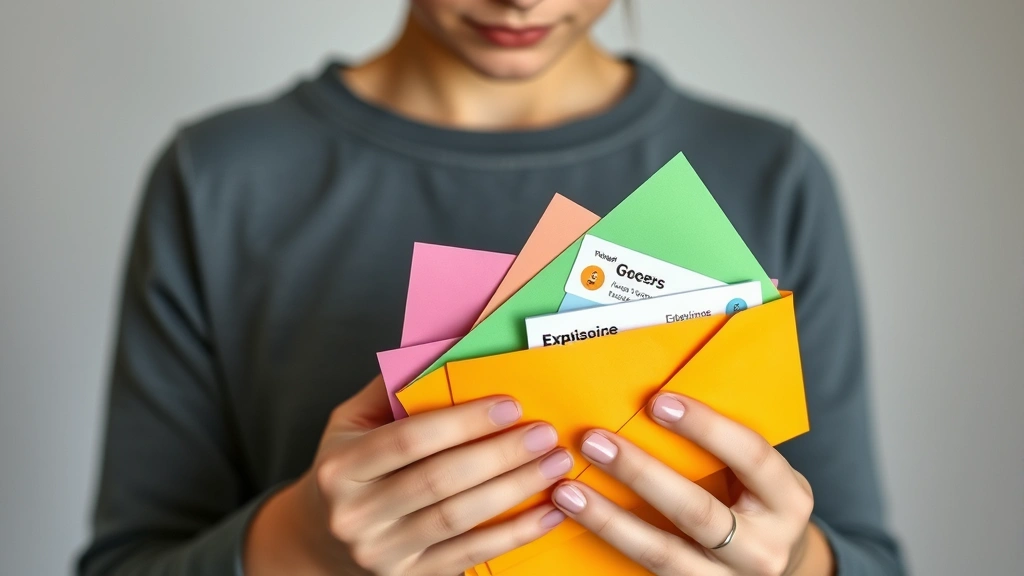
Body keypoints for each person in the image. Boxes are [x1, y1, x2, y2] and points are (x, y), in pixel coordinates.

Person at [78, 1, 905, 574]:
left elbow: (869, 557)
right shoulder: (221, 178)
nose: (521, 2)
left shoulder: (770, 173)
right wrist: (304, 549)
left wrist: (794, 563)